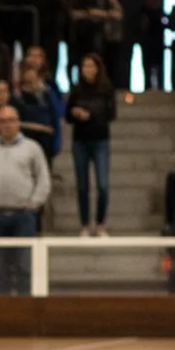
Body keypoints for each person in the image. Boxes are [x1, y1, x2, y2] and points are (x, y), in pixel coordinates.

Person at [0, 105, 51, 295]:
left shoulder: (32, 148)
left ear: (18, 122)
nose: (7, 125)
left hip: (23, 216)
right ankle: (4, 311)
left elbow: (43, 179)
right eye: (2, 121)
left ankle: (25, 309)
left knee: (25, 268)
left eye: (11, 120)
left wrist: (34, 204)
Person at [65, 54, 114, 237]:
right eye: (84, 66)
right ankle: (84, 224)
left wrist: (91, 114)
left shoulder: (106, 89)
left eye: (91, 66)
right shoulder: (76, 90)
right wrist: (75, 113)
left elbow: (111, 114)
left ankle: (100, 223)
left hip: (100, 140)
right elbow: (67, 116)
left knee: (102, 185)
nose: (88, 70)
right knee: (83, 186)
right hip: (80, 141)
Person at [12, 66, 61, 165]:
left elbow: (55, 117)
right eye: (28, 82)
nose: (32, 84)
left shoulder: (46, 96)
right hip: (25, 141)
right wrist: (40, 128)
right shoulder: (17, 99)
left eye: (34, 80)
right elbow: (15, 122)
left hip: (45, 142)